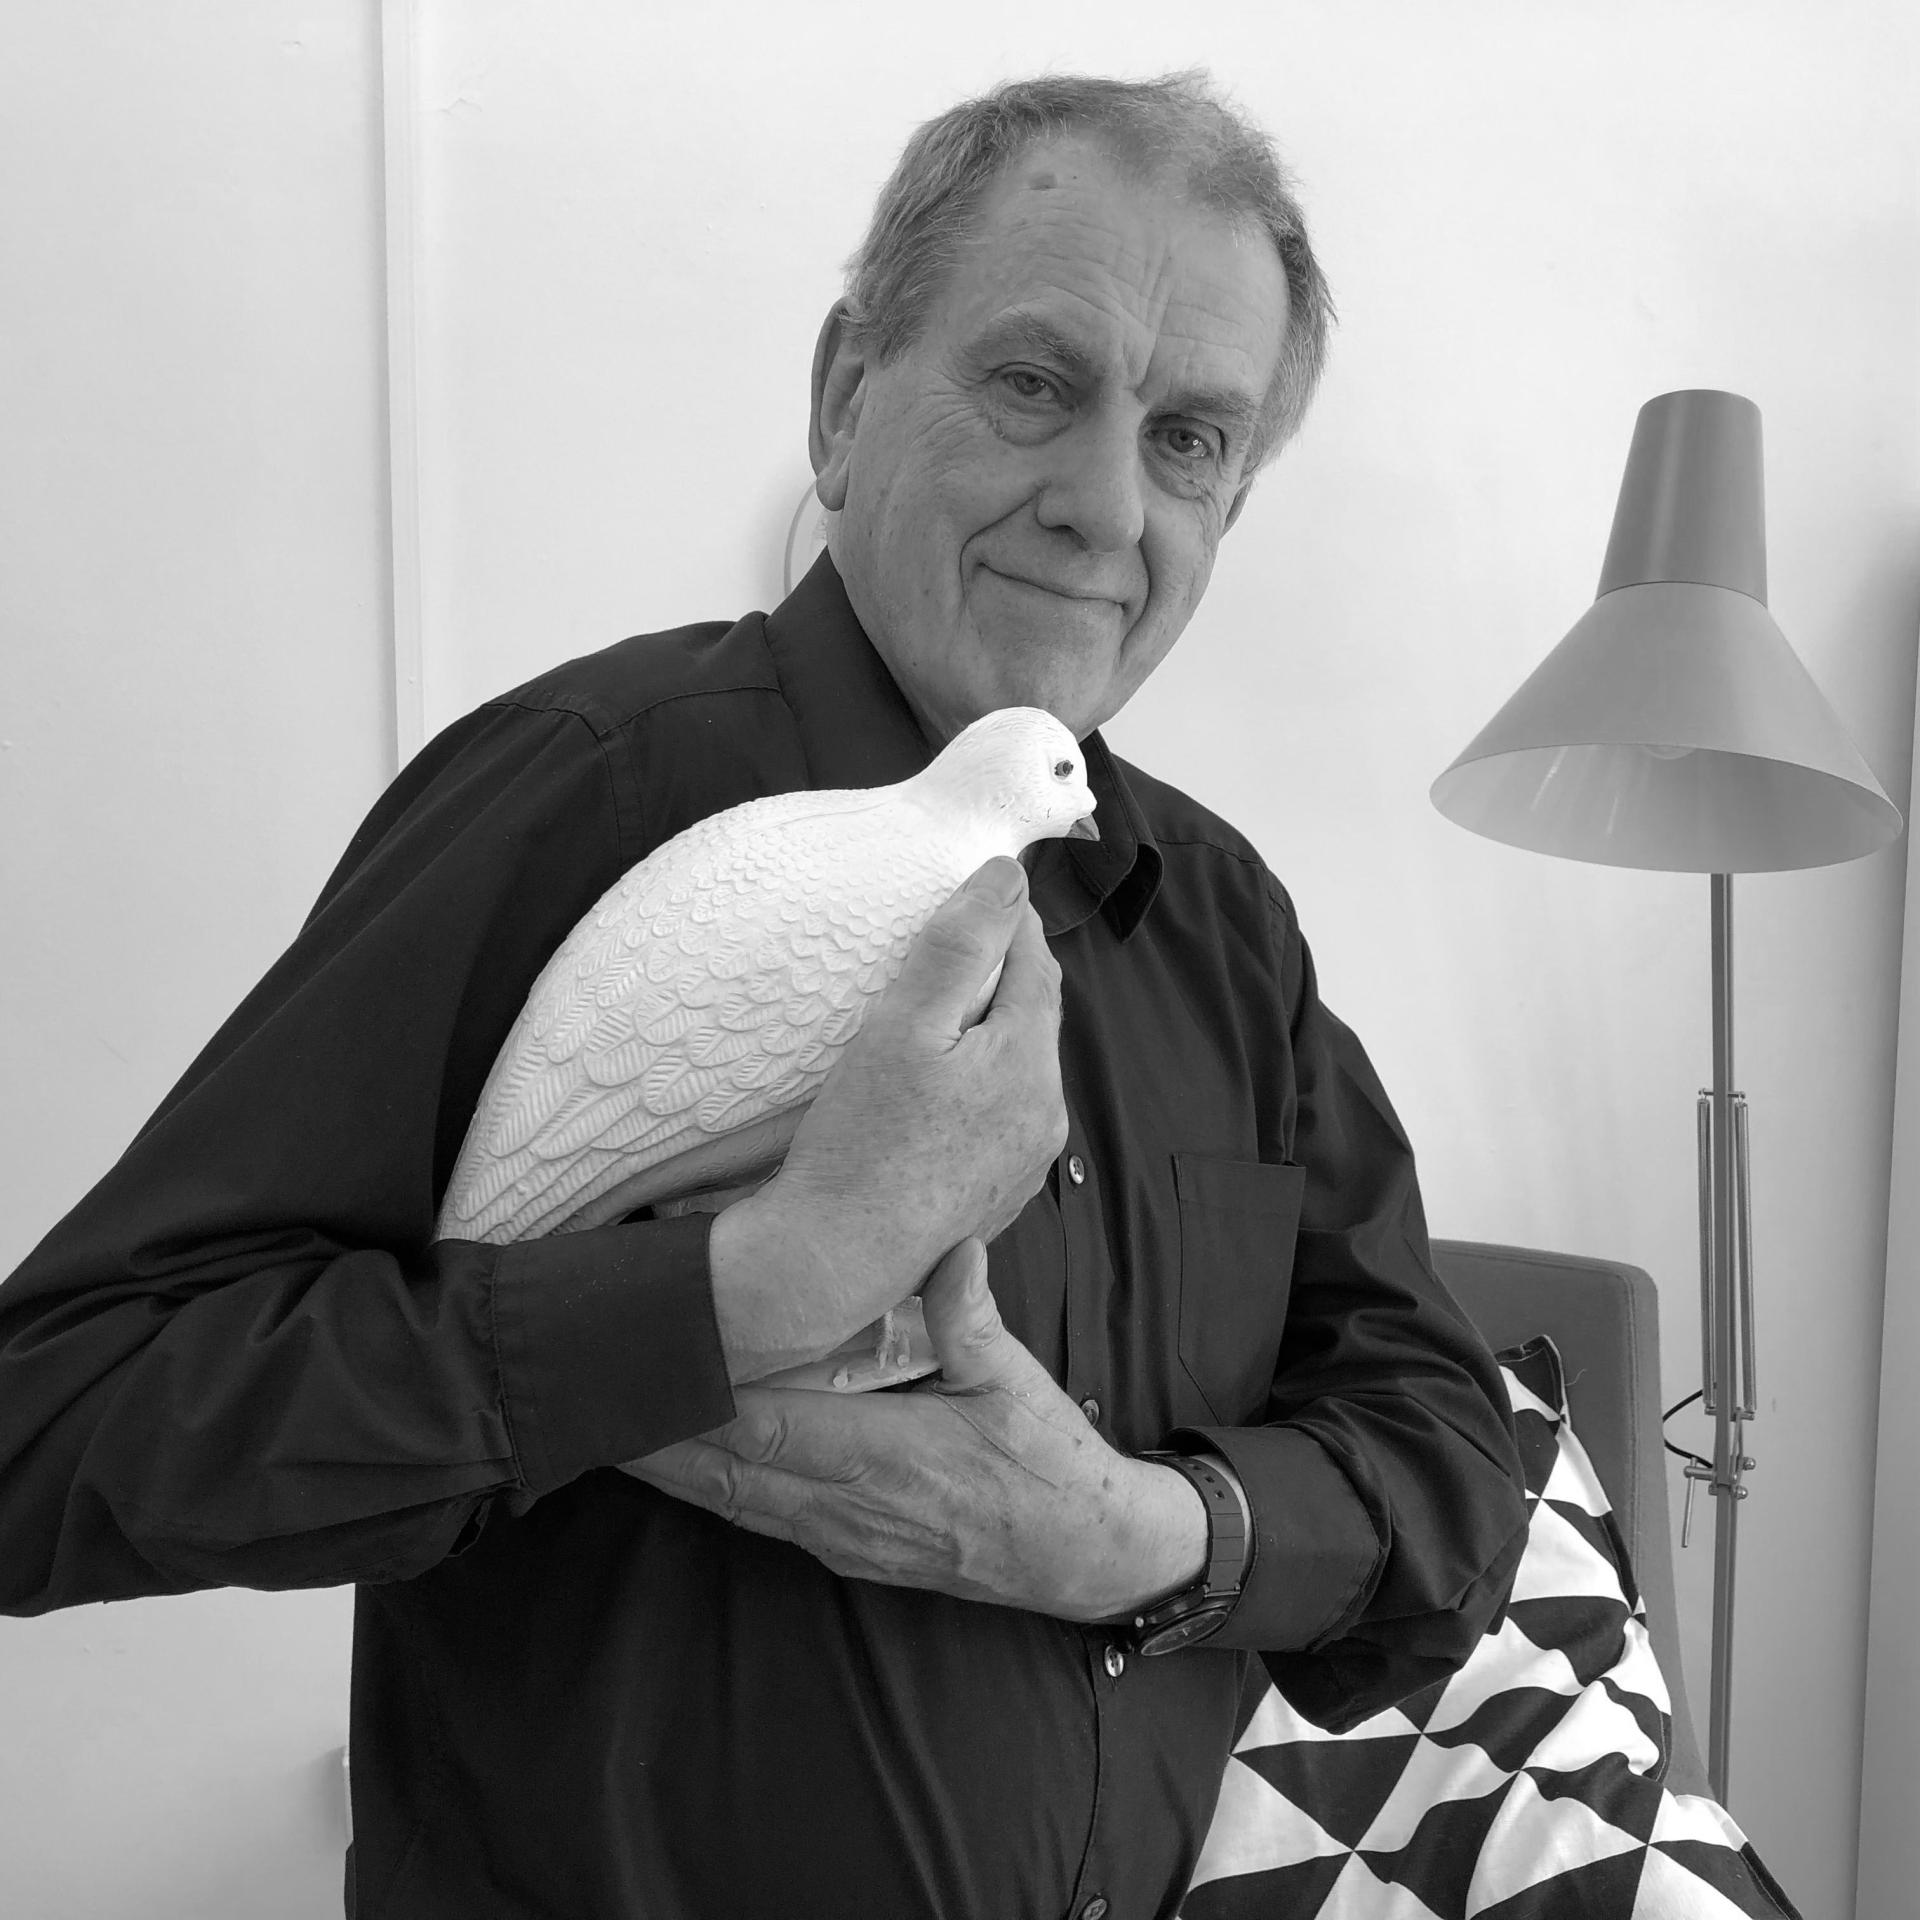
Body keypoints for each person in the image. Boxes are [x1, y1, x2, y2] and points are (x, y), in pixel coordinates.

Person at [0, 71, 1528, 1920]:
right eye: (1036, 384)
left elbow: (1446, 1481)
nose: (1106, 506)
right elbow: (60, 1420)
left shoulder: (1220, 924)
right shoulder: (588, 783)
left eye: (1193, 438)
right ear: (843, 401)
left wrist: (1128, 1536)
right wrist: (731, 1296)